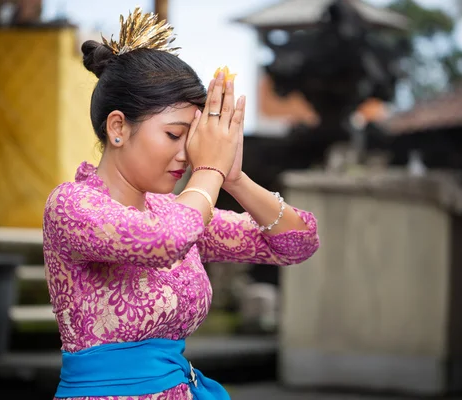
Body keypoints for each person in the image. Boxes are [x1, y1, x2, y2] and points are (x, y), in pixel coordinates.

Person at [42, 7, 320, 400]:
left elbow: (298, 241)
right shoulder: (70, 205)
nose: (186, 155)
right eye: (175, 135)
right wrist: (210, 169)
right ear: (118, 127)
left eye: (192, 140)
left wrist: (234, 177)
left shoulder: (176, 208)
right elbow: (166, 241)